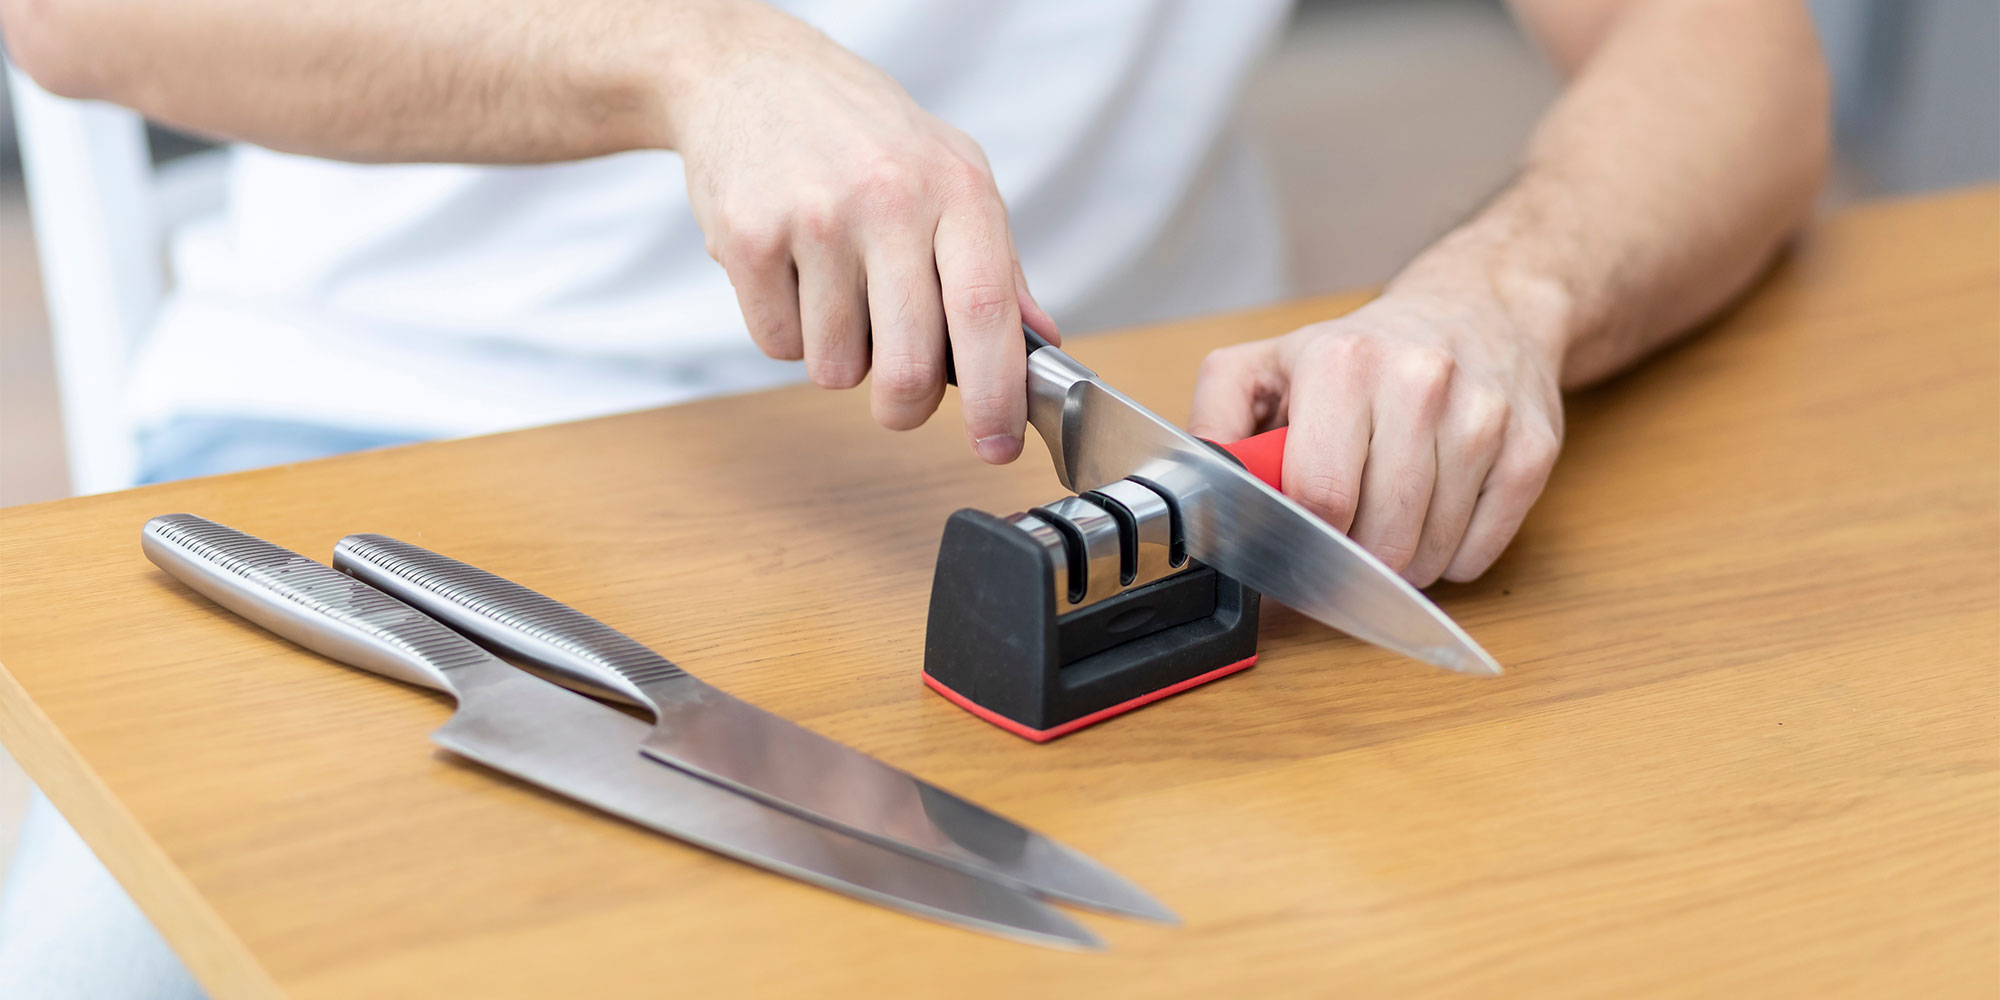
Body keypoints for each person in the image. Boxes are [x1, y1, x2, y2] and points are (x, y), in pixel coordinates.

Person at [0, 0, 1828, 995]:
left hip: (1113, 535)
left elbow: (1735, 48)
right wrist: (694, 55)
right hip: (384, 441)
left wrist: (1506, 291)